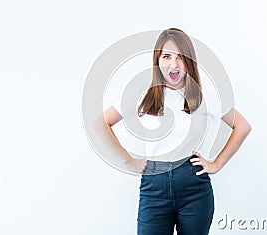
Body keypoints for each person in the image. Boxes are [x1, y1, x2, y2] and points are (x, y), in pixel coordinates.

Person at [99, 28, 252, 235]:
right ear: (158, 59)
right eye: (167, 56)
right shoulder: (141, 93)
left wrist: (217, 163)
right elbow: (101, 123)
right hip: (154, 187)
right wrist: (128, 161)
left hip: (193, 187)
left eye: (180, 57)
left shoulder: (204, 93)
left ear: (189, 61)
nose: (173, 64)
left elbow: (242, 126)